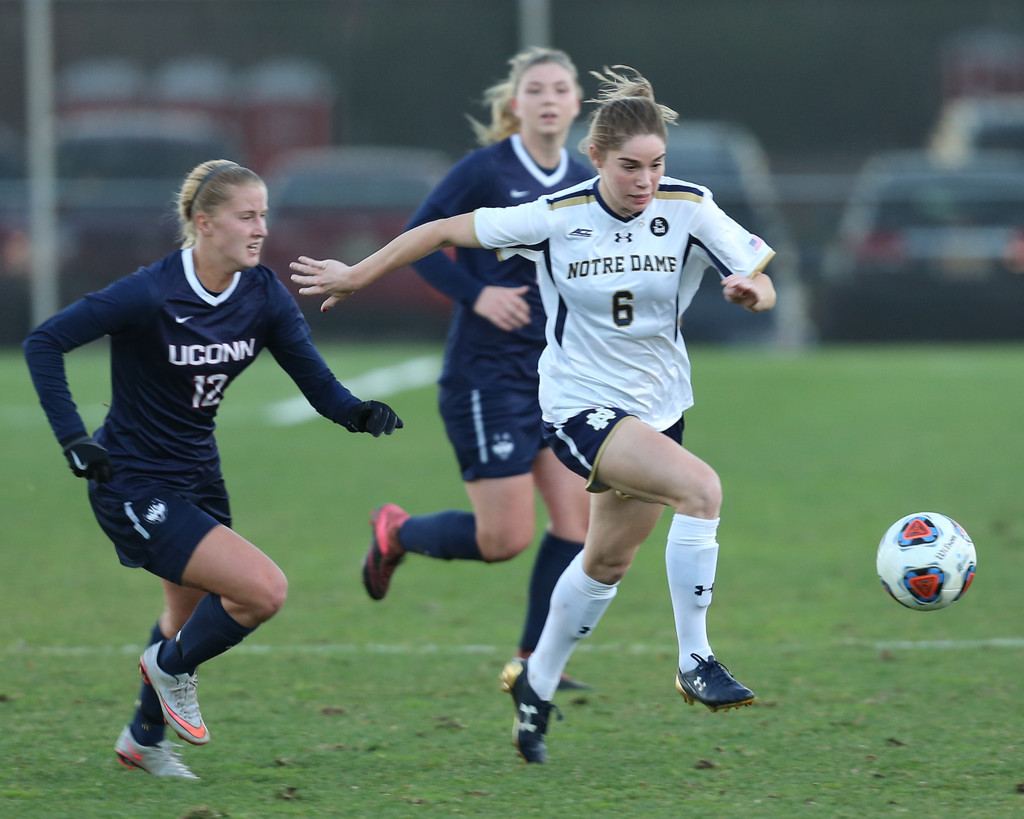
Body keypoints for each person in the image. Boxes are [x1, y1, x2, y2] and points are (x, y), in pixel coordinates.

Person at [290, 65, 776, 765]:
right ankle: (695, 658)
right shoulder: (556, 214)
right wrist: (358, 273)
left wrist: (752, 294)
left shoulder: (689, 206)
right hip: (580, 406)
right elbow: (440, 230)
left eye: (656, 165)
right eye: (630, 166)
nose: (645, 180)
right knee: (701, 489)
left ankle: (535, 681)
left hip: (660, 408)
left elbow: (759, 277)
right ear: (596, 158)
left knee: (605, 560)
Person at [23, 159, 403, 779]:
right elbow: (44, 342)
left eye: (264, 216)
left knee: (183, 617)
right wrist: (74, 440)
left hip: (199, 476)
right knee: (262, 591)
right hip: (132, 481)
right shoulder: (150, 291)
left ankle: (143, 741)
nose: (261, 229)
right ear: (204, 223)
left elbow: (316, 381)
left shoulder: (261, 294)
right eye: (246, 216)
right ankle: (170, 669)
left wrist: (358, 413)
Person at [360, 47, 594, 690]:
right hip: (484, 377)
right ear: (516, 104)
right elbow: (419, 240)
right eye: (536, 89)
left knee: (577, 524)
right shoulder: (486, 169)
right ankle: (397, 532)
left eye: (560, 89)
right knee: (504, 540)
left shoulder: (583, 177)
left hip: (555, 379)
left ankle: (534, 665)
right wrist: (477, 294)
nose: (549, 99)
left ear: (577, 103)